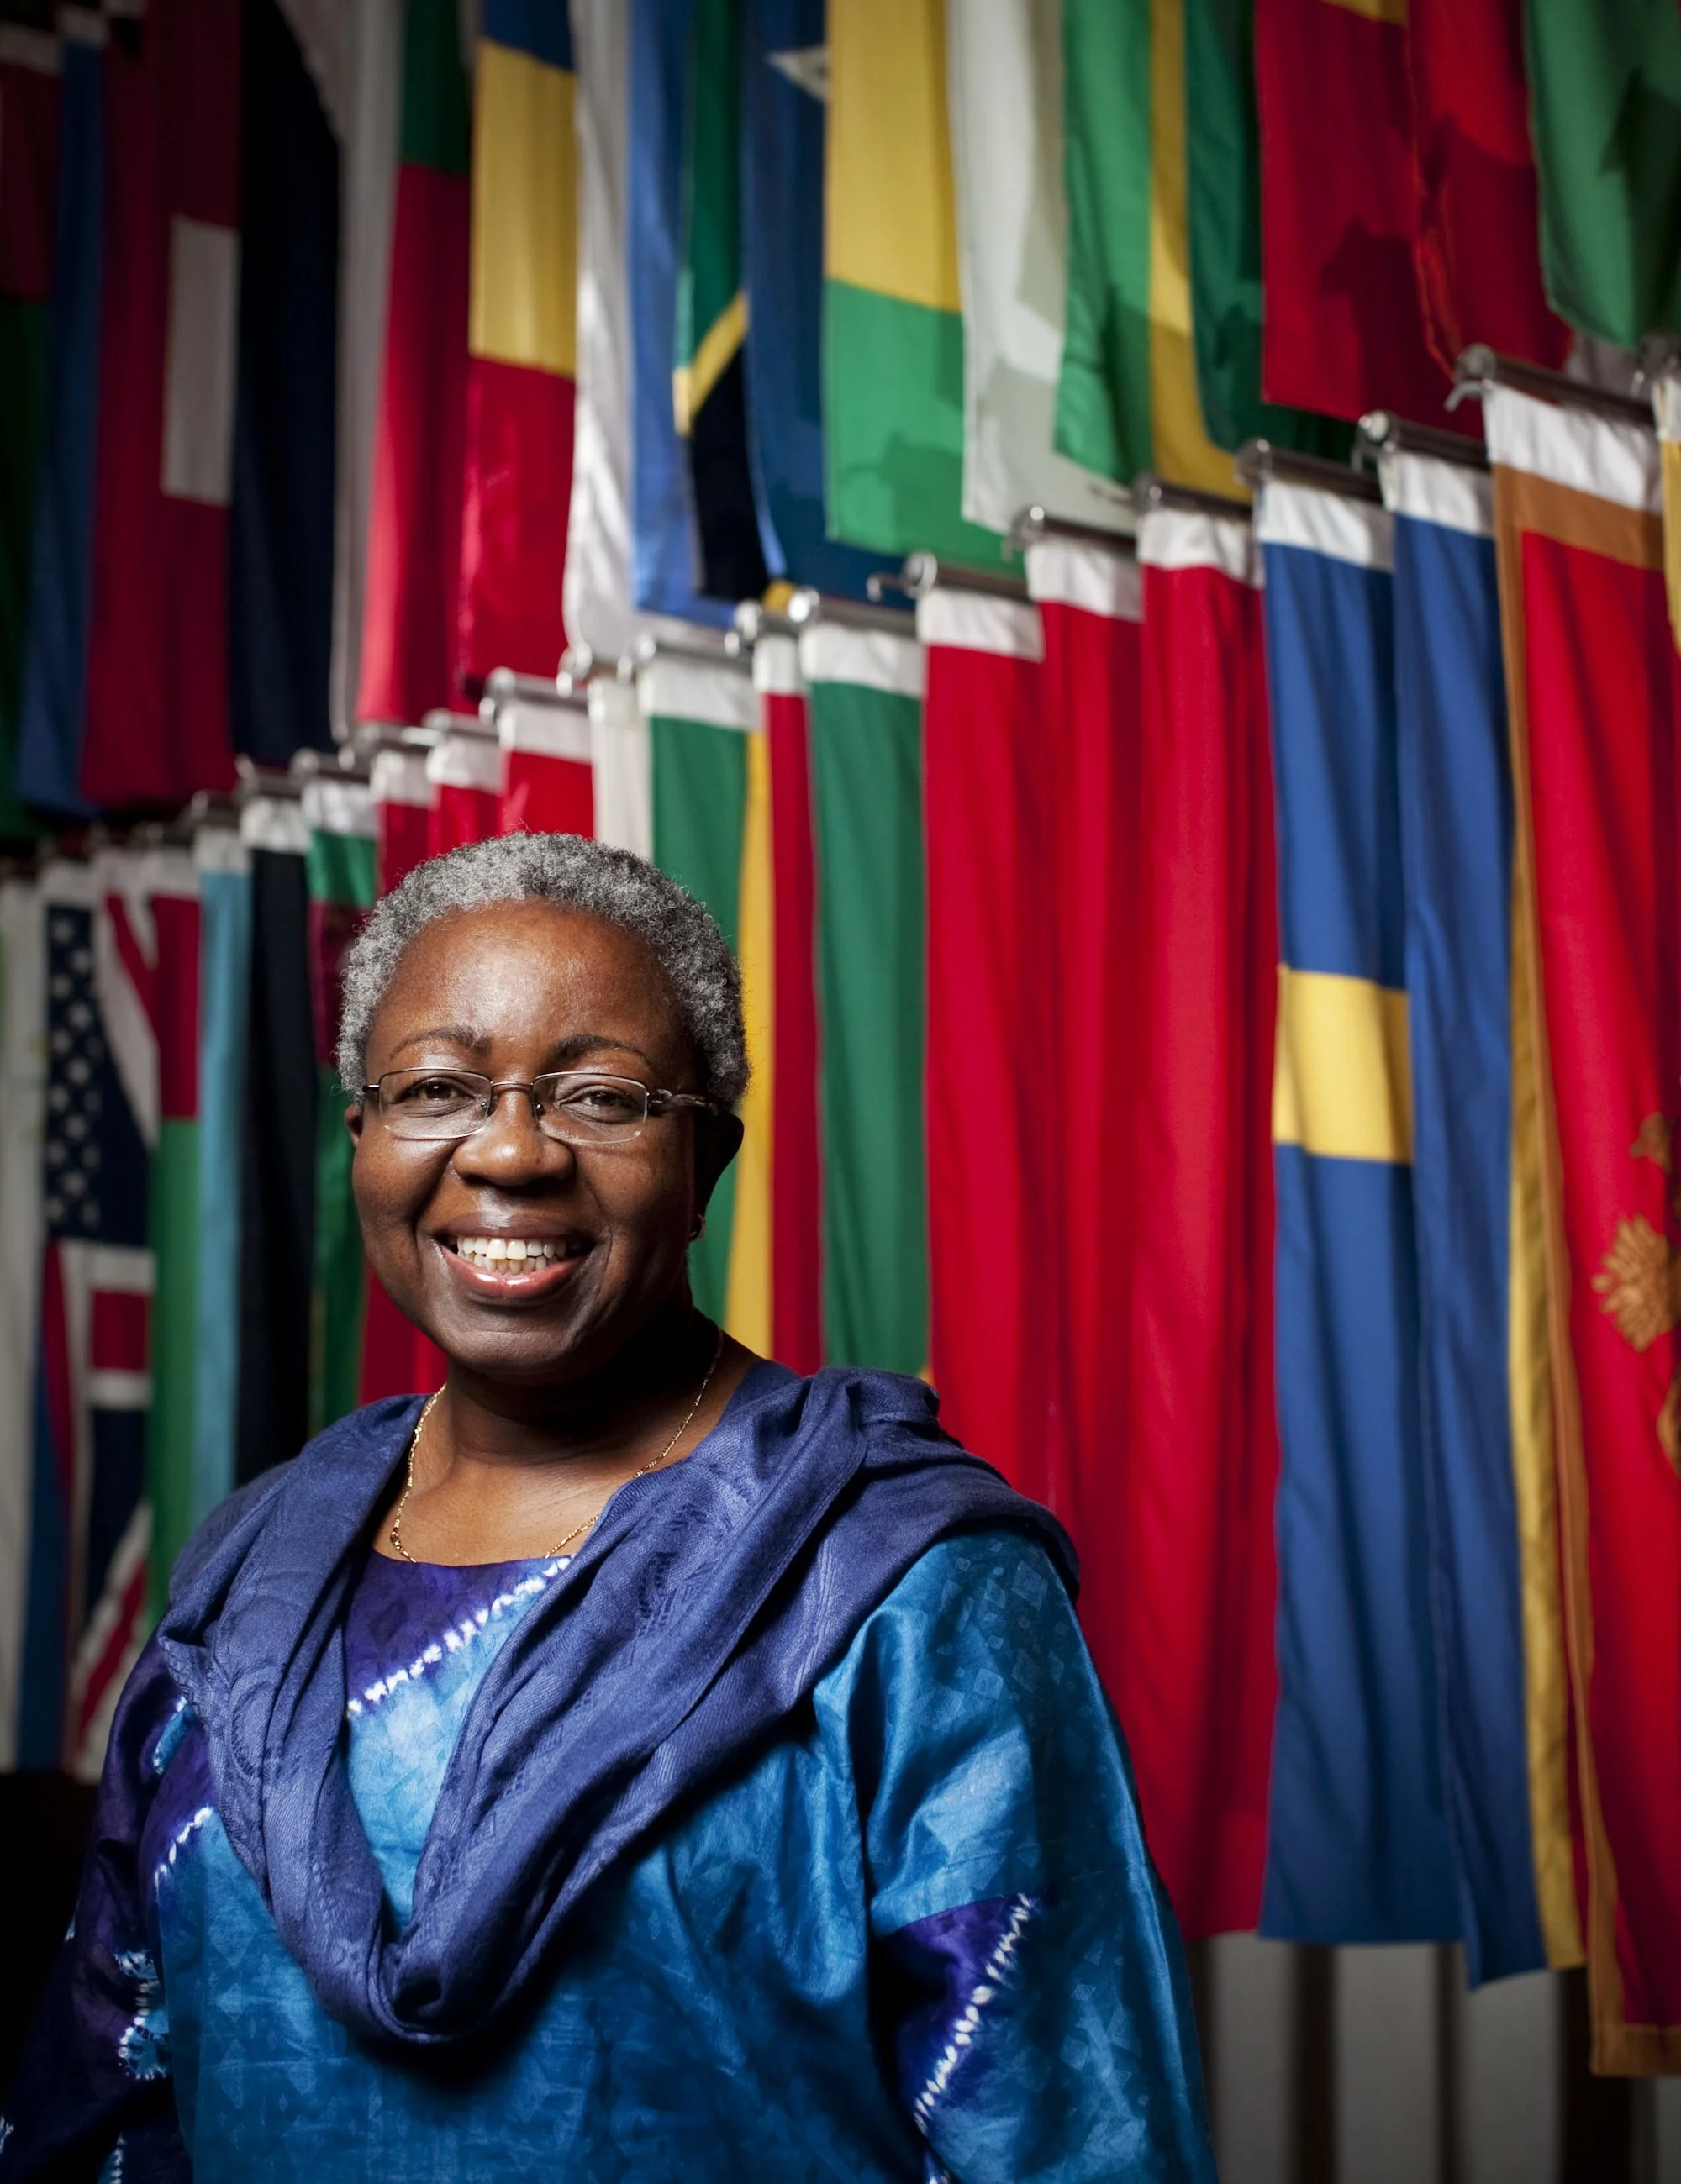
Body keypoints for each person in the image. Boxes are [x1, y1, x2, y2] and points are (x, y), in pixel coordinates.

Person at [5, 834, 1213, 2181]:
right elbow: (109, 2095)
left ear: (706, 1164)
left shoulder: (905, 1588)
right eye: (439, 1088)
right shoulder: (247, 1589)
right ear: (362, 1138)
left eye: (602, 1098)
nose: (511, 1154)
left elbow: (1069, 2135)